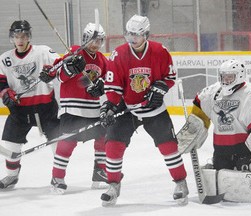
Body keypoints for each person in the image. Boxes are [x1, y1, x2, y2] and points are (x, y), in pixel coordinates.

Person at [99, 14, 189, 206]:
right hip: (127, 107)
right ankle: (113, 185)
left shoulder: (160, 51)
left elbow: (170, 76)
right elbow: (113, 85)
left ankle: (180, 182)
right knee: (113, 145)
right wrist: (110, 106)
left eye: (136, 35)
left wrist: (160, 88)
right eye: (129, 34)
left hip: (153, 108)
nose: (132, 39)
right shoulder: (119, 54)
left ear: (146, 34)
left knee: (169, 146)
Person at [39, 23, 109, 194]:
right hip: (72, 108)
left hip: (93, 108)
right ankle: (57, 177)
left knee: (103, 138)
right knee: (67, 143)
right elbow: (59, 77)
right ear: (85, 39)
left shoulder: (101, 59)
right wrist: (69, 68)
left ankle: (99, 174)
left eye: (99, 41)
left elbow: (107, 80)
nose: (95, 44)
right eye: (92, 40)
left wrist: (100, 86)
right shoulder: (75, 51)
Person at [181, 59, 251, 172]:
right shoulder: (213, 91)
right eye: (223, 76)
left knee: (244, 178)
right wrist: (192, 131)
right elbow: (199, 106)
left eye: (230, 77)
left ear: (240, 76)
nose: (226, 80)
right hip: (220, 151)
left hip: (244, 151)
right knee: (221, 173)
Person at [0, 20, 61, 189]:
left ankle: (58, 176)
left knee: (58, 142)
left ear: (29, 37)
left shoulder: (43, 52)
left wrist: (54, 71)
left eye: (24, 36)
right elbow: (1, 82)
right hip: (19, 111)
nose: (20, 39)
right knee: (11, 145)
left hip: (46, 108)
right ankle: (12, 176)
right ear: (12, 38)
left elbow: (61, 66)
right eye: (17, 36)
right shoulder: (5, 59)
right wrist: (6, 93)